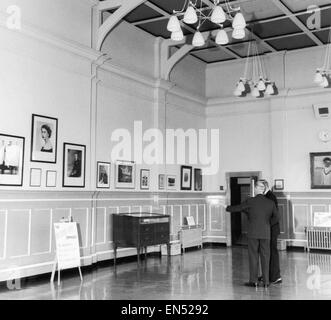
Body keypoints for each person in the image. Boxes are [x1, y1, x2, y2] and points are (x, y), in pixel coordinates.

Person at [226, 180, 279, 288]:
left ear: (256, 189)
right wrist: (267, 224)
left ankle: (253, 281)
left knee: (253, 257)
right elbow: (277, 218)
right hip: (266, 233)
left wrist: (226, 207)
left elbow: (238, 208)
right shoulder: (270, 203)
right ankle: (266, 282)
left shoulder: (250, 201)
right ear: (264, 189)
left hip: (253, 233)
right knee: (266, 257)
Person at [258, 180, 282, 285]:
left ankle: (276, 277)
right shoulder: (267, 196)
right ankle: (268, 276)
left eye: (259, 186)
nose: (257, 188)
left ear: (264, 186)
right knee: (268, 253)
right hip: (268, 229)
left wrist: (266, 226)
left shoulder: (270, 197)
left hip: (271, 230)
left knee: (272, 253)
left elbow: (275, 216)